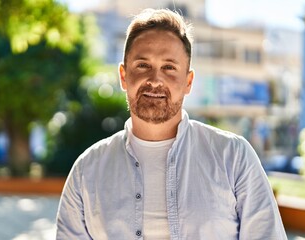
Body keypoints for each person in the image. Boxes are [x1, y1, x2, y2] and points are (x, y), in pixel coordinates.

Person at [56, 8, 287, 240]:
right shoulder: (87, 170)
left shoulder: (234, 157)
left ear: (188, 81)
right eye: (143, 65)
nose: (155, 80)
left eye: (169, 67)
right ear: (124, 76)